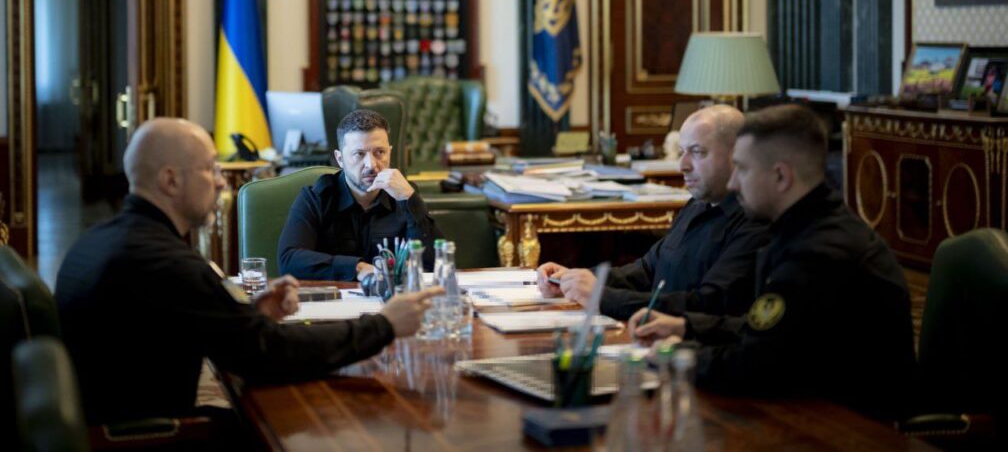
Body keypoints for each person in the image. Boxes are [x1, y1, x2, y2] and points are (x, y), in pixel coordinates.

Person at [55, 118, 441, 425]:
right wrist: (383, 326)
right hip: (158, 438)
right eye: (210, 169)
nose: (221, 181)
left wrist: (249, 315)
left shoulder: (97, 242)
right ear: (170, 180)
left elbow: (190, 332)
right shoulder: (166, 263)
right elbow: (270, 354)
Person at [629, 104, 916, 420]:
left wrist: (678, 354)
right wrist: (686, 326)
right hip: (811, 406)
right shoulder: (805, 226)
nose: (733, 183)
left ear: (780, 176)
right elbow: (773, 329)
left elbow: (757, 364)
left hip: (849, 426)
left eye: (742, 169)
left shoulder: (818, 251)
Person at [536, 105, 770, 320]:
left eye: (697, 152)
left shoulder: (755, 221)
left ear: (737, 155)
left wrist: (601, 297)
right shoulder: (696, 205)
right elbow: (648, 270)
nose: (683, 165)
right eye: (681, 152)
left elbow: (707, 304)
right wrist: (573, 279)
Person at [278, 109, 440, 281]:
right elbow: (289, 261)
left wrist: (411, 201)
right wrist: (358, 268)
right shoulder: (316, 198)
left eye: (380, 152)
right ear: (340, 159)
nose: (371, 165)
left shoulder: (404, 194)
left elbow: (434, 263)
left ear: (390, 152)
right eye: (359, 154)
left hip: (391, 295)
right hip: (335, 297)